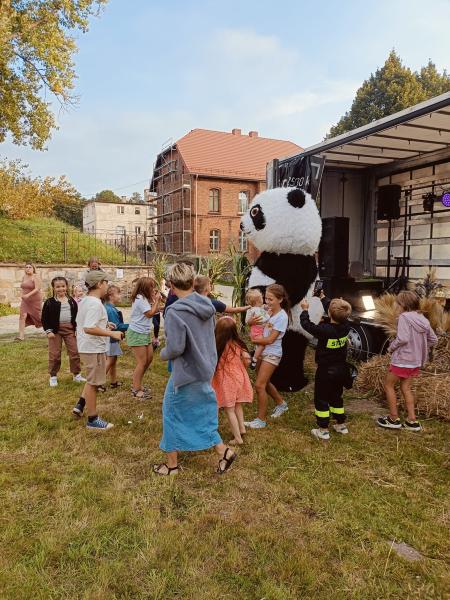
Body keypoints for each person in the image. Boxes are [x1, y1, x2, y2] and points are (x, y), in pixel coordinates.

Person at [153, 262, 237, 476]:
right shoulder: (207, 305)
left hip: (187, 372)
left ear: (171, 285)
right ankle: (223, 451)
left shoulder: (174, 312)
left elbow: (176, 348)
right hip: (205, 367)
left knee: (171, 412)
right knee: (200, 412)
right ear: (192, 281)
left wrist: (162, 353)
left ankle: (171, 466)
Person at [377, 290, 437, 432]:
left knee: (388, 385)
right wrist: (420, 346)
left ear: (403, 304)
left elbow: (403, 338)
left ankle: (393, 418)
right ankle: (412, 420)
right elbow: (434, 339)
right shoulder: (423, 318)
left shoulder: (404, 317)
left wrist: (391, 347)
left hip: (402, 360)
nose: (396, 306)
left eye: (397, 303)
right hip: (415, 361)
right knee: (406, 388)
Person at [72, 271, 122, 431]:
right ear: (100, 284)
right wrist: (111, 333)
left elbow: (88, 323)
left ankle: (80, 405)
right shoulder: (95, 303)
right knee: (94, 383)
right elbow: (88, 327)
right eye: (106, 282)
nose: (108, 285)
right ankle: (92, 419)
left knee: (91, 379)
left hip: (88, 346)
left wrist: (105, 326)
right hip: (93, 348)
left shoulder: (86, 301)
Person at [300, 294, 352, 441]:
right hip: (341, 369)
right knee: (336, 396)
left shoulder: (325, 330)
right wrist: (323, 297)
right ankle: (341, 424)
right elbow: (336, 314)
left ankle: (323, 429)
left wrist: (305, 310)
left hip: (326, 371)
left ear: (329, 313)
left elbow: (307, 325)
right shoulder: (346, 326)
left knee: (321, 398)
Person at [244, 284, 290, 429]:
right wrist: (251, 322)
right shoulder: (267, 311)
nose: (267, 302)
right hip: (262, 352)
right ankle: (282, 404)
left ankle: (261, 420)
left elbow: (270, 339)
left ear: (280, 299)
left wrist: (254, 340)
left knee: (259, 385)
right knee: (264, 382)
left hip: (272, 354)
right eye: (266, 298)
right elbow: (252, 322)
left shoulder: (281, 317)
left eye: (271, 299)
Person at [212, 317, 253, 445]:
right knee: (237, 404)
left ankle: (238, 438)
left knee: (229, 410)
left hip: (226, 380)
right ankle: (242, 428)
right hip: (239, 377)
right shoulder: (238, 343)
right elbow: (247, 358)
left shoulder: (217, 345)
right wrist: (242, 368)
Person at [42, 276, 86, 387]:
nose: (60, 289)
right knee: (55, 354)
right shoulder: (50, 302)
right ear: (53, 288)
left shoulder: (72, 301)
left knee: (74, 352)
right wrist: (48, 331)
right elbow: (44, 318)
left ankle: (76, 375)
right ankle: (53, 376)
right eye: (57, 287)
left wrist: (76, 329)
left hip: (70, 329)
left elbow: (77, 316)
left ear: (66, 287)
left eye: (63, 286)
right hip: (55, 331)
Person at [125, 277, 161, 399]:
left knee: (149, 359)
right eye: (152, 286)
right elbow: (150, 313)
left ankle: (138, 383)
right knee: (142, 362)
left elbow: (153, 310)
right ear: (145, 288)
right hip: (136, 333)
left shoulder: (144, 298)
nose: (154, 289)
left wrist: (164, 305)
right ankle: (135, 388)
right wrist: (157, 300)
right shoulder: (140, 299)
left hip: (145, 333)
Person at [104, 284, 129, 388]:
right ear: (111, 296)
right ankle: (97, 384)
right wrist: (131, 326)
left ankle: (113, 382)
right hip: (111, 339)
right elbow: (116, 326)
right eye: (118, 293)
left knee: (113, 360)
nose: (120, 296)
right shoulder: (110, 310)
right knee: (110, 360)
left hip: (111, 339)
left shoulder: (110, 308)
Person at [245, 289, 270, 369]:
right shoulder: (256, 310)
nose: (264, 300)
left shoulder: (252, 309)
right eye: (262, 299)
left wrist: (265, 308)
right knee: (262, 345)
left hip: (255, 331)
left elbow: (246, 321)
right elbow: (263, 319)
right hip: (257, 332)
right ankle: (254, 360)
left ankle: (255, 354)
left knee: (259, 346)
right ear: (258, 301)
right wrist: (268, 315)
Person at [16, 263, 42, 340]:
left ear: (33, 268)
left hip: (35, 300)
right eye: (26, 267)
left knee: (38, 317)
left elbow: (37, 289)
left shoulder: (36, 277)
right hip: (25, 300)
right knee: (22, 316)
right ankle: (21, 336)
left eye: (30, 267)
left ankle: (51, 328)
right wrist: (21, 294)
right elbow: (23, 287)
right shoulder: (24, 277)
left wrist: (28, 295)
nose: (28, 268)